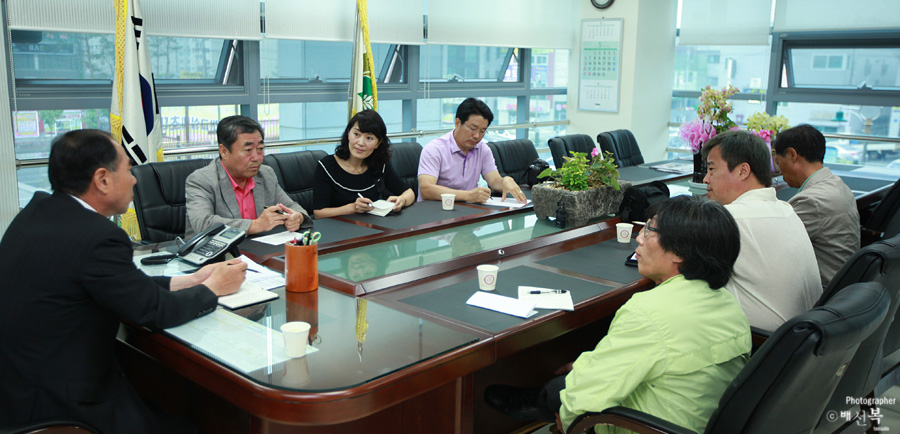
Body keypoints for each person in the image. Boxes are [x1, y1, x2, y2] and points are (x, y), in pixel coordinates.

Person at [0, 129, 246, 434]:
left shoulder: (37, 212)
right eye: (128, 169)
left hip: (17, 392)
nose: (134, 180)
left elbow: (120, 287)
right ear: (103, 180)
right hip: (63, 406)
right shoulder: (97, 237)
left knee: (163, 404)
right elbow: (154, 311)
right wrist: (213, 288)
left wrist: (190, 279)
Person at [484, 196, 751, 433]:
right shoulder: (730, 306)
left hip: (647, 426)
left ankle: (533, 404)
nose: (639, 238)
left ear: (680, 253)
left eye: (650, 230)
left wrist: (568, 420)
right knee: (581, 373)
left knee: (562, 391)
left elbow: (583, 397)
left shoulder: (649, 311)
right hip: (694, 420)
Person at [703, 130, 821, 331]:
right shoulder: (786, 210)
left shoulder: (730, 219)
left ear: (743, 171)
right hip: (800, 337)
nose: (706, 179)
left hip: (760, 340)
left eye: (711, 169)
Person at [185, 115, 311, 239]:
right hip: (214, 250)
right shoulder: (201, 180)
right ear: (224, 151)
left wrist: (298, 217)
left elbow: (291, 206)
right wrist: (256, 225)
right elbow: (203, 224)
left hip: (257, 248)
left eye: (260, 149)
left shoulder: (265, 174)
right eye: (248, 150)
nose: (256, 158)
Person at [774, 124, 860, 287]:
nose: (779, 171)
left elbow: (772, 243)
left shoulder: (811, 201)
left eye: (778, 162)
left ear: (792, 154)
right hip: (843, 286)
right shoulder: (838, 185)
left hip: (822, 292)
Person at [417, 97, 527, 204]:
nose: (477, 136)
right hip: (435, 210)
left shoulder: (483, 149)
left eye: (482, 131)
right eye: (473, 129)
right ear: (458, 123)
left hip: (468, 210)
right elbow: (426, 189)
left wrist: (505, 181)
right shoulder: (434, 149)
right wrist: (468, 196)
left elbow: (494, 181)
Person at [312, 110, 415, 218]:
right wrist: (352, 208)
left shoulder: (379, 164)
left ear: (378, 143)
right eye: (356, 134)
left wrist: (401, 200)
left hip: (374, 226)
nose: (360, 143)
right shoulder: (326, 166)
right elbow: (319, 213)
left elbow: (409, 193)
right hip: (339, 227)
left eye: (369, 138)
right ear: (348, 133)